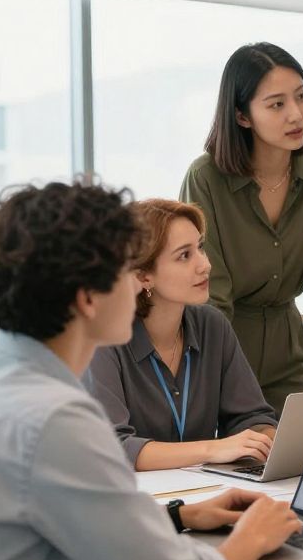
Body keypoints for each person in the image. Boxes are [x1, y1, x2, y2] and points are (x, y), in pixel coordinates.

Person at [0, 182, 302, 560]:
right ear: (88, 298)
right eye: (126, 271)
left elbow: (51, 510)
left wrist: (180, 516)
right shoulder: (58, 420)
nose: (137, 285)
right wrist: (251, 537)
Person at [181, 42, 303, 417]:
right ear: (242, 116)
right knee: (230, 466)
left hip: (286, 358)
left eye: (301, 96)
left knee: (289, 465)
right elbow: (213, 300)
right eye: (276, 104)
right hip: (219, 355)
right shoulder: (206, 178)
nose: (296, 114)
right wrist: (214, 386)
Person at [84, 198, 278, 471]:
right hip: (136, 501)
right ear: (143, 276)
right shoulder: (105, 338)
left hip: (205, 494)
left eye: (200, 248)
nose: (205, 265)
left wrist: (268, 440)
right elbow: (113, 447)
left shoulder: (213, 326)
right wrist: (213, 448)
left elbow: (250, 417)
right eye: (184, 256)